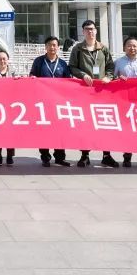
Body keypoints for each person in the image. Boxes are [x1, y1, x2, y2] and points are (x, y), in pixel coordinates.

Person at [69, 20, 118, 168]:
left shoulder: (103, 48)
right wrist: (82, 75)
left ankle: (106, 155)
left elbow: (110, 66)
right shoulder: (78, 49)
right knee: (86, 124)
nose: (90, 31)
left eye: (92, 29)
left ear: (96, 31)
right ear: (83, 32)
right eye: (87, 29)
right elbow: (72, 67)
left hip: (101, 92)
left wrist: (108, 77)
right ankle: (85, 155)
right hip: (85, 92)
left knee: (104, 123)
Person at [30, 36, 72, 167]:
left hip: (58, 103)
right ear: (45, 47)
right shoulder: (39, 61)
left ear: (58, 47)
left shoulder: (63, 64)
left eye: (54, 45)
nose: (52, 47)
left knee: (60, 130)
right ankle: (45, 157)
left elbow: (68, 82)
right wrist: (33, 78)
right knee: (44, 130)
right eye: (49, 45)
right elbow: (32, 75)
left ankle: (60, 157)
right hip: (43, 103)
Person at [114, 36, 137, 168]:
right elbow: (112, 78)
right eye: (129, 45)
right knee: (128, 129)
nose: (132, 48)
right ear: (124, 48)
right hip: (125, 100)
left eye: (135, 46)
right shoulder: (118, 62)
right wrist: (118, 78)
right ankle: (127, 157)